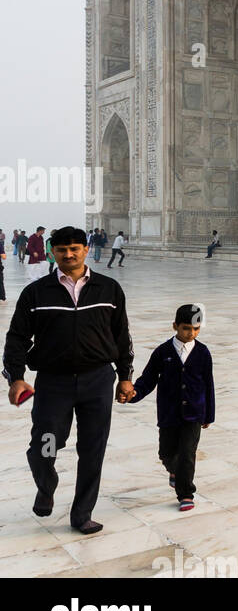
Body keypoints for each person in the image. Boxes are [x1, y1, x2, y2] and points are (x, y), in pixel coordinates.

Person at [3, 225, 134, 535]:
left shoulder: (109, 289)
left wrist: (126, 377)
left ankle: (82, 513)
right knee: (45, 445)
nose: (69, 254)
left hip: (98, 382)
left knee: (92, 448)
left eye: (75, 248)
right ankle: (46, 483)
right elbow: (16, 338)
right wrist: (16, 377)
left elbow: (121, 336)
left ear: (85, 249)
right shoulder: (36, 293)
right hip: (53, 384)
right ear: (53, 252)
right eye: (62, 249)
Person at [126, 303, 214, 513]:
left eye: (195, 328)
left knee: (187, 453)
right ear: (175, 326)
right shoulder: (162, 352)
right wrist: (133, 394)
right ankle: (174, 472)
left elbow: (208, 384)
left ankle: (185, 493)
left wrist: (208, 414)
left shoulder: (202, 353)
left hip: (194, 413)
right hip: (169, 412)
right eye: (186, 328)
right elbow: (148, 379)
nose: (190, 333)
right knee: (166, 452)